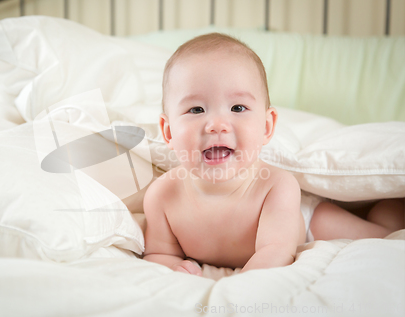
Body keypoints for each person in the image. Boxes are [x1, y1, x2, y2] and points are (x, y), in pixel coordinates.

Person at [142, 33, 404, 275]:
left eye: (238, 107)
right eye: (196, 110)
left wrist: (239, 287)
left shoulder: (276, 185)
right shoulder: (162, 197)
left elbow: (276, 250)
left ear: (266, 127)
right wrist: (176, 269)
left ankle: (387, 210)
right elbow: (159, 252)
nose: (217, 125)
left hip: (306, 221)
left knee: (384, 236)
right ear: (168, 132)